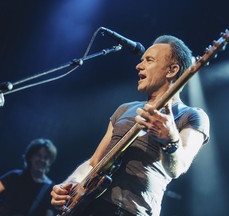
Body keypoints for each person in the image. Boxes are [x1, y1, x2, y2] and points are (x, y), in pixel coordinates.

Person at [51, 35, 210, 216]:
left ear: (172, 70)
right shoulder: (125, 109)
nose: (139, 66)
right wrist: (71, 182)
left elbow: (178, 168)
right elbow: (95, 162)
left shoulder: (192, 115)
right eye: (141, 60)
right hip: (87, 207)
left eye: (149, 60)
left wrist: (170, 137)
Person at [0, 138, 58, 216]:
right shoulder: (14, 175)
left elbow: (49, 213)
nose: (42, 160)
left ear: (50, 162)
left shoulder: (50, 187)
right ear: (30, 157)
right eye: (38, 155)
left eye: (46, 157)